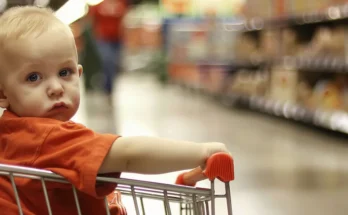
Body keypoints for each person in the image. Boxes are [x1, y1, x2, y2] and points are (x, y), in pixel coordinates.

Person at [0, 6, 231, 215]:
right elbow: (129, 155)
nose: (56, 88)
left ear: (79, 74)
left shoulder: (11, 133)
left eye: (64, 72)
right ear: (2, 94)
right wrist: (202, 151)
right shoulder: (45, 137)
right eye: (33, 77)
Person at [88, 0, 128, 104]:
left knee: (114, 64)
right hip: (103, 39)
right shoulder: (99, 5)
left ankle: (110, 87)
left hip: (117, 39)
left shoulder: (121, 3)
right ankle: (107, 88)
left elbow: (124, 19)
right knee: (107, 61)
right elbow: (92, 20)